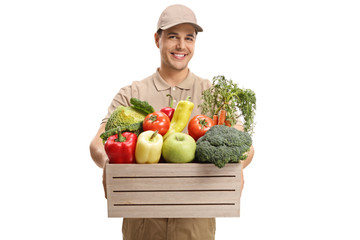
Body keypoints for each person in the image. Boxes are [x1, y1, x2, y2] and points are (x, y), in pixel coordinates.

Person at [89, 4, 254, 240]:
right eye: (173, 36)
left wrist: (238, 163)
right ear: (158, 40)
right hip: (142, 225)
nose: (181, 46)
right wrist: (109, 164)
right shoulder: (132, 93)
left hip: (196, 226)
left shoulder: (213, 94)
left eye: (189, 38)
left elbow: (245, 144)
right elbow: (97, 143)